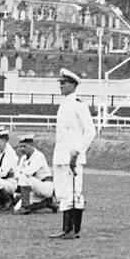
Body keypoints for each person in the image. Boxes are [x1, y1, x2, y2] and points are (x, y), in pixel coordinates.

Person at [50, 68, 95, 240]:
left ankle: (74, 230)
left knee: (74, 192)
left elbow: (90, 131)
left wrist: (77, 150)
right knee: (63, 192)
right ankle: (65, 229)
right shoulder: (63, 105)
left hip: (73, 157)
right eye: (60, 82)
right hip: (61, 155)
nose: (61, 85)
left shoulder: (79, 105)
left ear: (73, 85)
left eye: (64, 82)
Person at [13, 135, 57, 213]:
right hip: (35, 188)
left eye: (24, 146)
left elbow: (28, 172)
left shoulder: (38, 156)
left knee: (24, 177)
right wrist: (20, 172)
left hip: (45, 186)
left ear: (31, 145)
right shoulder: (23, 158)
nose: (22, 149)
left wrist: (20, 172)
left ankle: (25, 207)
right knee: (16, 208)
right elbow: (16, 174)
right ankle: (46, 203)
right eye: (21, 146)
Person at [0, 128, 19, 208]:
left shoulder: (10, 153)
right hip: (2, 180)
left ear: (4, 141)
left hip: (10, 182)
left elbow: (3, 173)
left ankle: (7, 199)